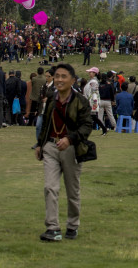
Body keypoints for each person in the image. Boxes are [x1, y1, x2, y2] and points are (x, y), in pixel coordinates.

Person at [33, 63, 92, 242]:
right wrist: (39, 144)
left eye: (63, 76)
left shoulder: (80, 100)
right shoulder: (51, 98)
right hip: (51, 146)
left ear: (73, 80)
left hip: (71, 149)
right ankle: (53, 227)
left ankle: (73, 225)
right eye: (57, 76)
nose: (59, 79)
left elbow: (87, 125)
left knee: (72, 190)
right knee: (50, 187)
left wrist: (70, 139)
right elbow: (45, 123)